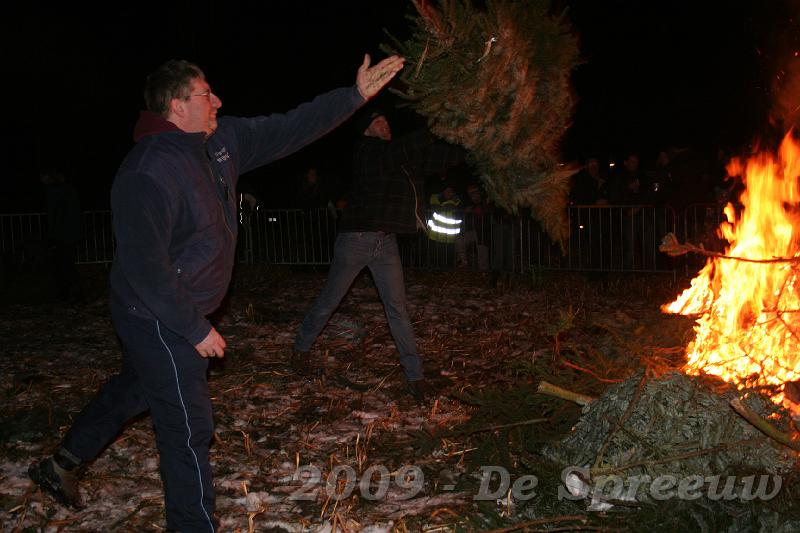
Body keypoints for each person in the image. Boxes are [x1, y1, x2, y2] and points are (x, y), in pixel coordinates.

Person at [27, 54, 404, 532]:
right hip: (155, 314)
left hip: (179, 308)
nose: (219, 101)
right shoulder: (148, 172)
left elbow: (291, 127)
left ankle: (61, 463)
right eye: (207, 94)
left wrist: (353, 97)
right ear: (177, 106)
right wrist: (195, 327)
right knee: (188, 426)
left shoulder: (221, 143)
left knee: (138, 388)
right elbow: (145, 266)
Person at [292, 109, 463, 404]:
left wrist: (469, 147)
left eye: (386, 119)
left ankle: (415, 377)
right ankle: (300, 347)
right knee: (330, 300)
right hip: (356, 239)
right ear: (366, 130)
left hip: (386, 243)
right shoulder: (368, 152)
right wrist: (434, 127)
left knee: (397, 308)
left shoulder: (400, 159)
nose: (385, 124)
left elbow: (435, 158)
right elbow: (399, 151)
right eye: (377, 121)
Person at [39, 169, 84, 303]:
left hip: (62, 235)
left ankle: (67, 293)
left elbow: (55, 215)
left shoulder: (57, 192)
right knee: (66, 264)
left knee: (63, 265)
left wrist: (51, 234)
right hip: (68, 234)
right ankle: (71, 293)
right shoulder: (69, 191)